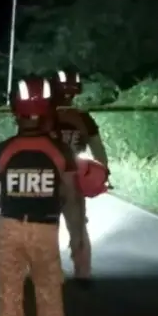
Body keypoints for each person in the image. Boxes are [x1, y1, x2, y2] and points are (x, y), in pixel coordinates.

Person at [0, 76, 86, 316]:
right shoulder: (60, 151)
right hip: (46, 230)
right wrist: (77, 236)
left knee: (9, 295)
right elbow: (72, 198)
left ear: (15, 111)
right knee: (49, 292)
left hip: (9, 229)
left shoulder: (0, 151)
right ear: (48, 109)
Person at [49, 69, 110, 286]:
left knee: (45, 224)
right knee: (78, 226)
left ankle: (47, 272)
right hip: (74, 177)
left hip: (49, 177)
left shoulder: (43, 115)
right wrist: (103, 174)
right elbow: (99, 152)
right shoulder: (83, 118)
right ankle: (83, 272)